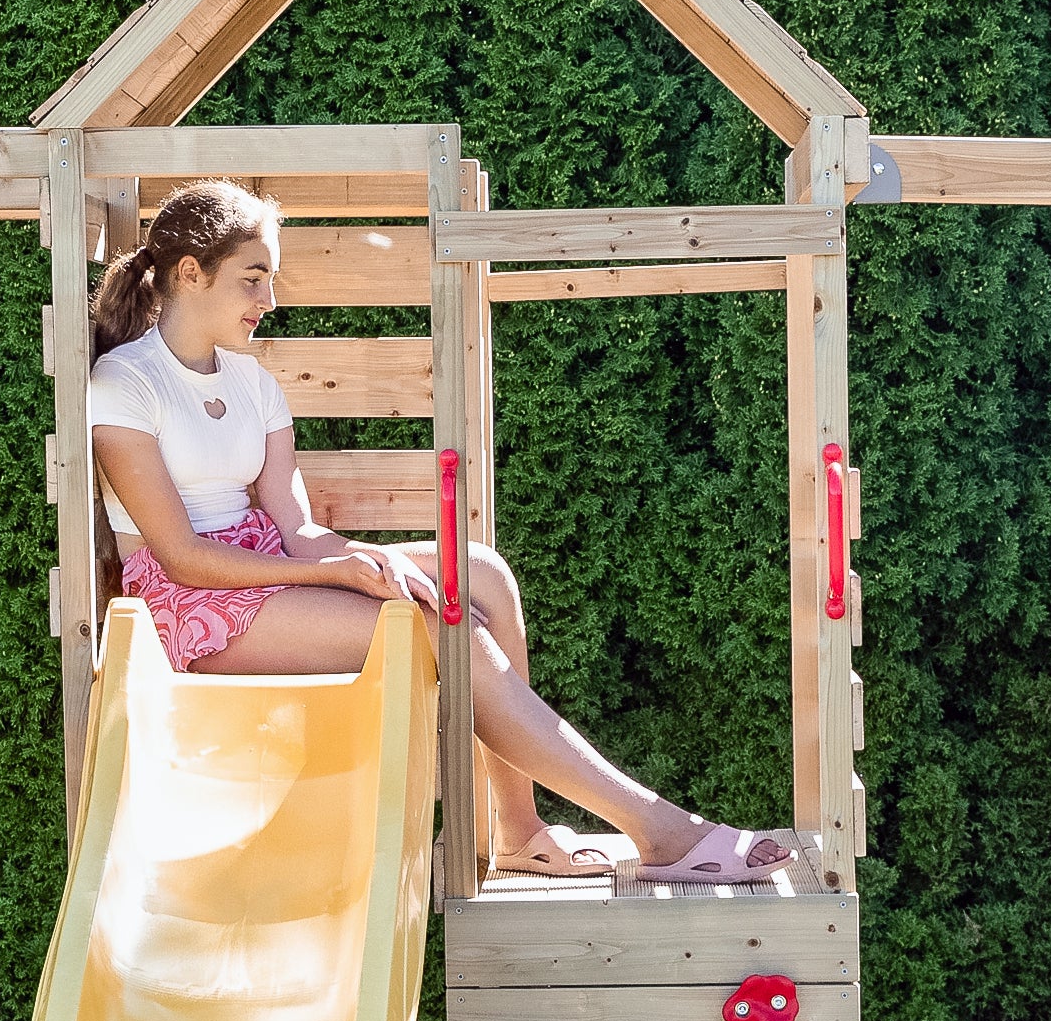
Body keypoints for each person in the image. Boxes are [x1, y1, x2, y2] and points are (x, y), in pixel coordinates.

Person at [85, 179, 796, 888]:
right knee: (435, 626)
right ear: (188, 273)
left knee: (479, 574)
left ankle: (518, 831)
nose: (269, 301)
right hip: (182, 603)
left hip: (265, 567)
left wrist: (357, 559)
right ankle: (659, 829)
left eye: (271, 279)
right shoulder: (125, 383)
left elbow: (294, 527)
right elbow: (180, 555)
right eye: (253, 279)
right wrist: (336, 574)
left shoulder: (252, 383)